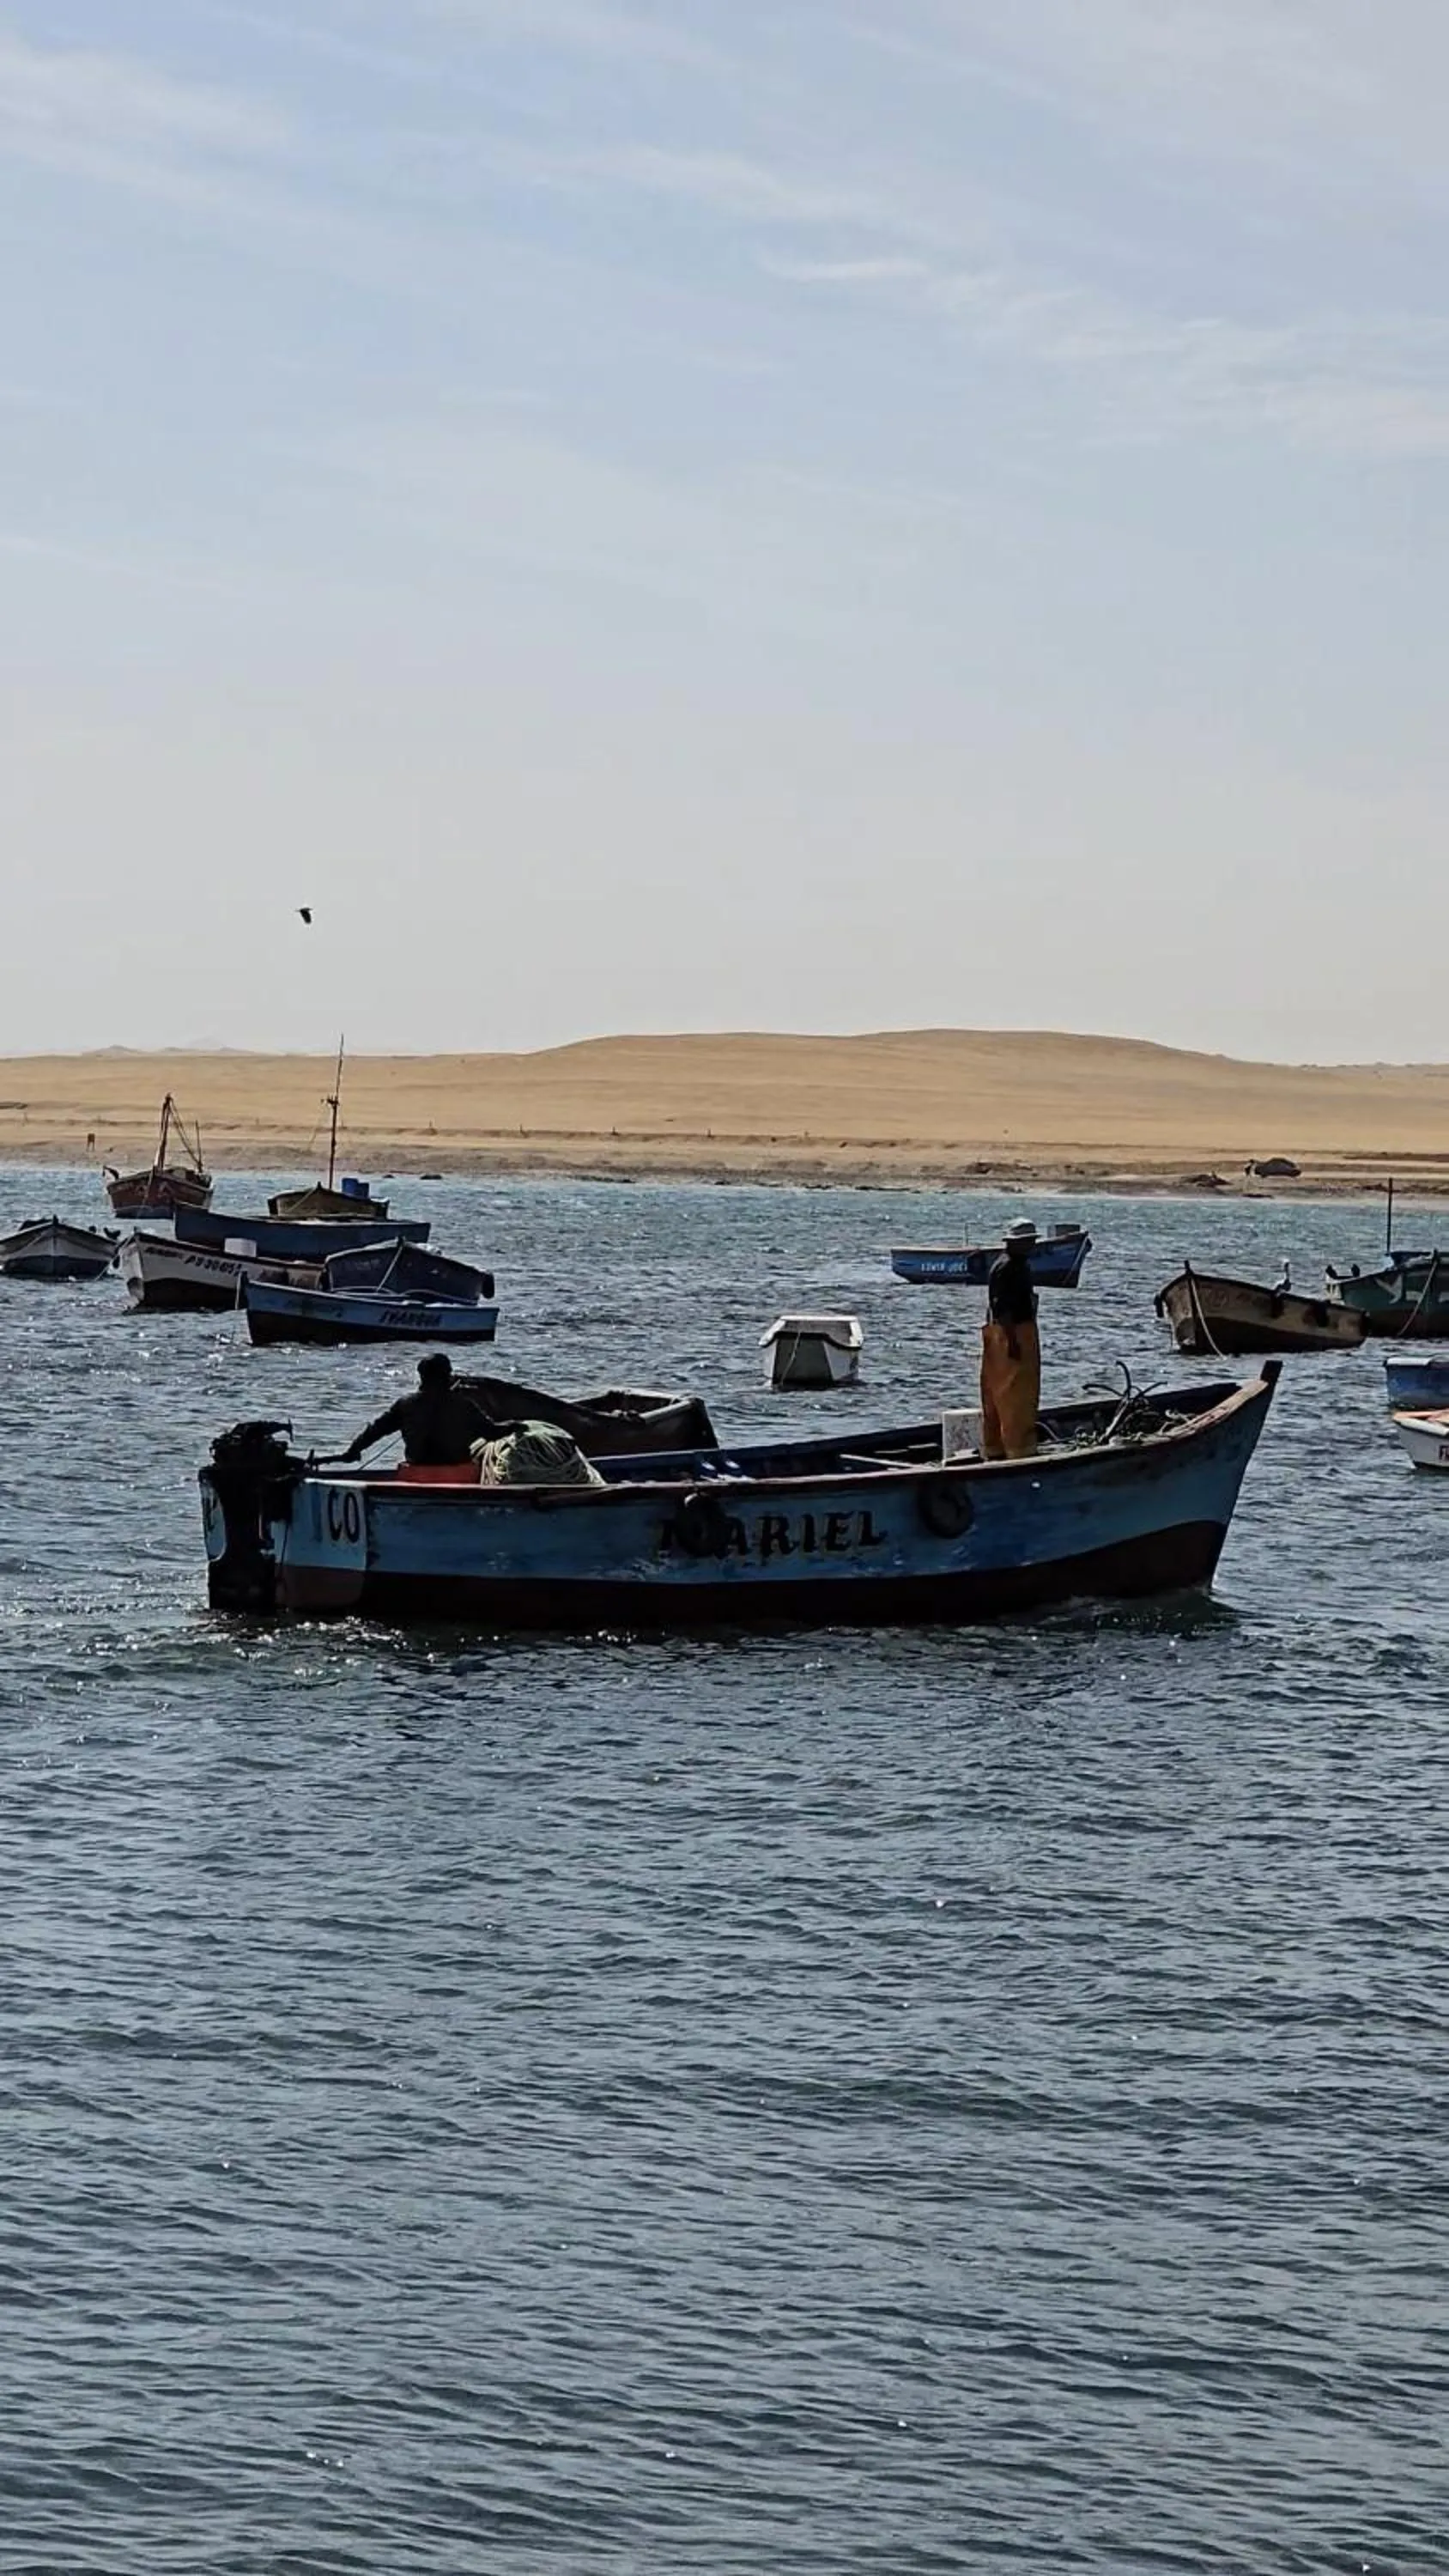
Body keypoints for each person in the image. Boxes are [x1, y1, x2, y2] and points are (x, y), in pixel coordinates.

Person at [344, 1352, 494, 1466]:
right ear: (447, 1377)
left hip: (416, 1473)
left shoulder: (405, 1404)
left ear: (422, 1377)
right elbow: (492, 1432)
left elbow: (376, 1430)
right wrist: (509, 1425)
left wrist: (354, 1450)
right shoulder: (464, 1405)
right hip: (456, 1475)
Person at [979, 1222, 1040, 1461]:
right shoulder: (1007, 1268)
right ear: (1015, 1243)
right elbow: (1001, 1307)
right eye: (1029, 1241)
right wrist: (1012, 1342)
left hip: (1015, 1332)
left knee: (1000, 1394)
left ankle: (996, 1448)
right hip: (1012, 1333)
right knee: (1015, 1397)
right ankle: (1018, 1450)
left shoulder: (1017, 1264)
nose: (1032, 1245)